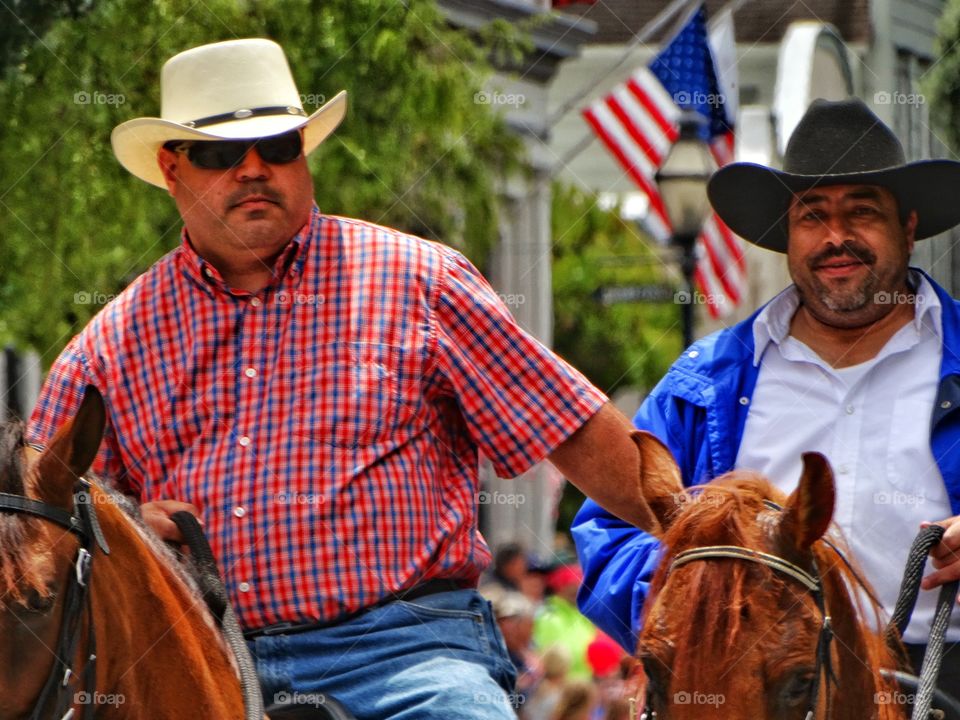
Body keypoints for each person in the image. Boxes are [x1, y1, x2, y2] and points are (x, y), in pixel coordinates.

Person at [26, 39, 650, 720]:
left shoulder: (419, 282)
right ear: (172, 170)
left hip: (409, 650)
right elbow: (38, 535)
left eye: (279, 145)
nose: (254, 169)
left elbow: (569, 423)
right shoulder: (104, 352)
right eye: (220, 154)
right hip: (195, 662)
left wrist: (693, 535)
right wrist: (126, 525)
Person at [572, 97, 960, 690]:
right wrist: (704, 599)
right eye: (812, 216)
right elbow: (610, 533)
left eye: (862, 211)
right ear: (787, 236)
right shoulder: (705, 381)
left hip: (943, 679)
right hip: (753, 688)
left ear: (907, 228)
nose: (836, 236)